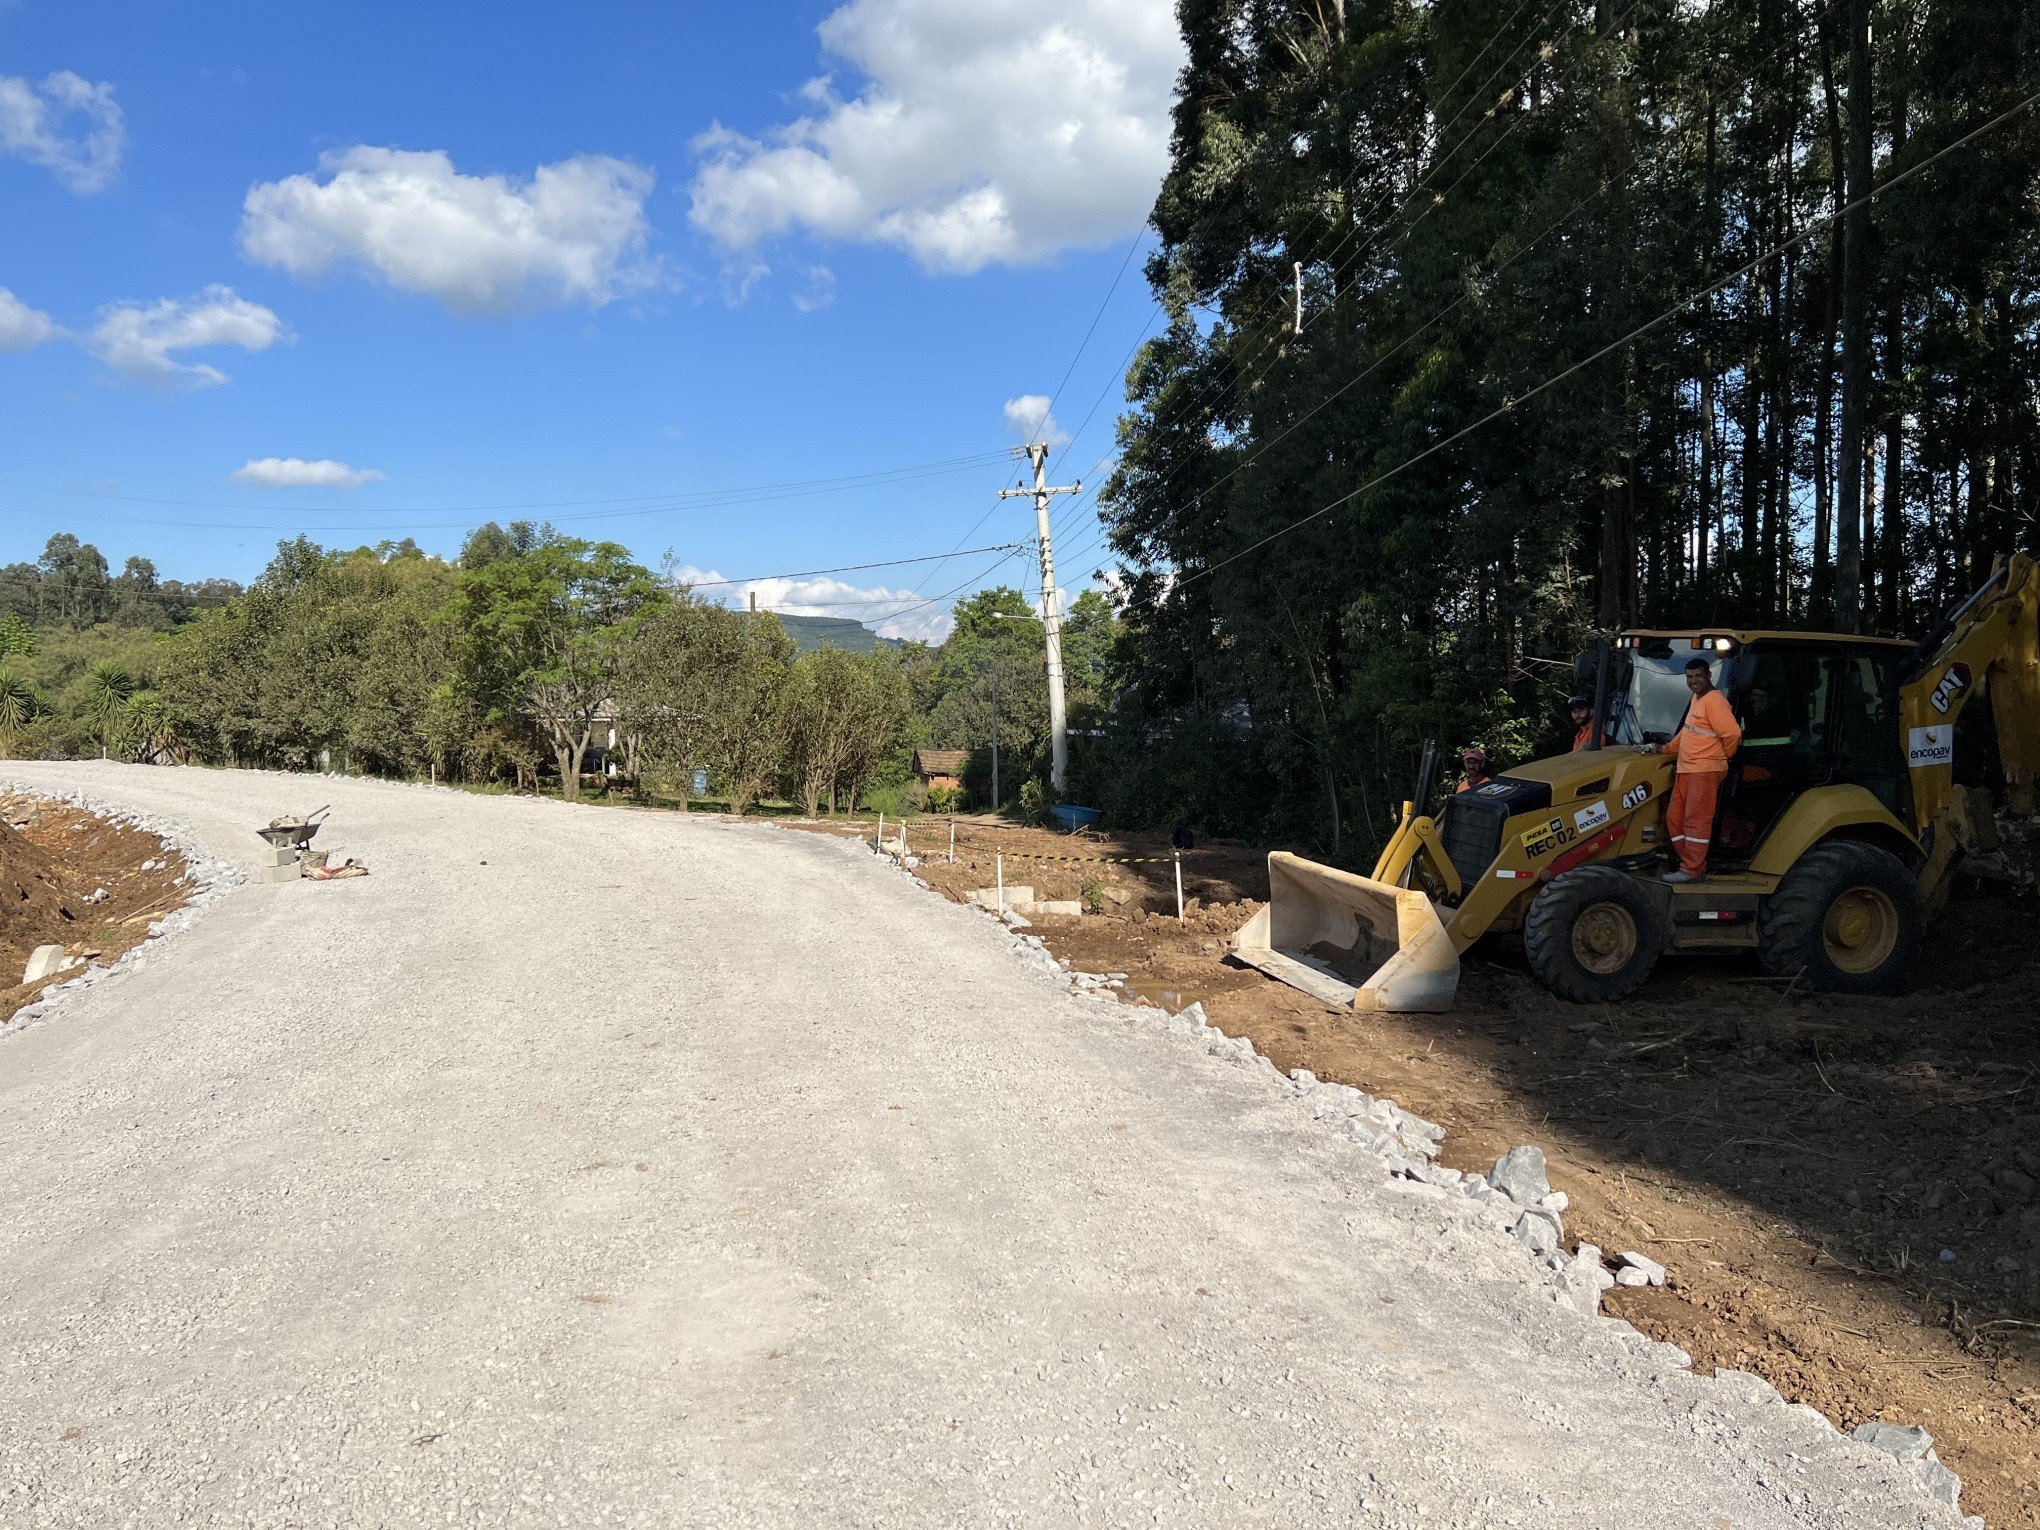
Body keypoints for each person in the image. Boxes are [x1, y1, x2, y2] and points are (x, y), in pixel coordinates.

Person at [1645, 658, 1742, 883]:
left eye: (1698, 676)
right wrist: (1665, 749)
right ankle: (1688, 863)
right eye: (1689, 677)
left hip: (1704, 770)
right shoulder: (1696, 699)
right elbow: (1687, 733)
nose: (1693, 681)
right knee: (1674, 818)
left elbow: (1733, 734)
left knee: (1695, 821)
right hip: (1687, 769)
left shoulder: (1715, 701)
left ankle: (1693, 869)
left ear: (1709, 676)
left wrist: (1721, 757)